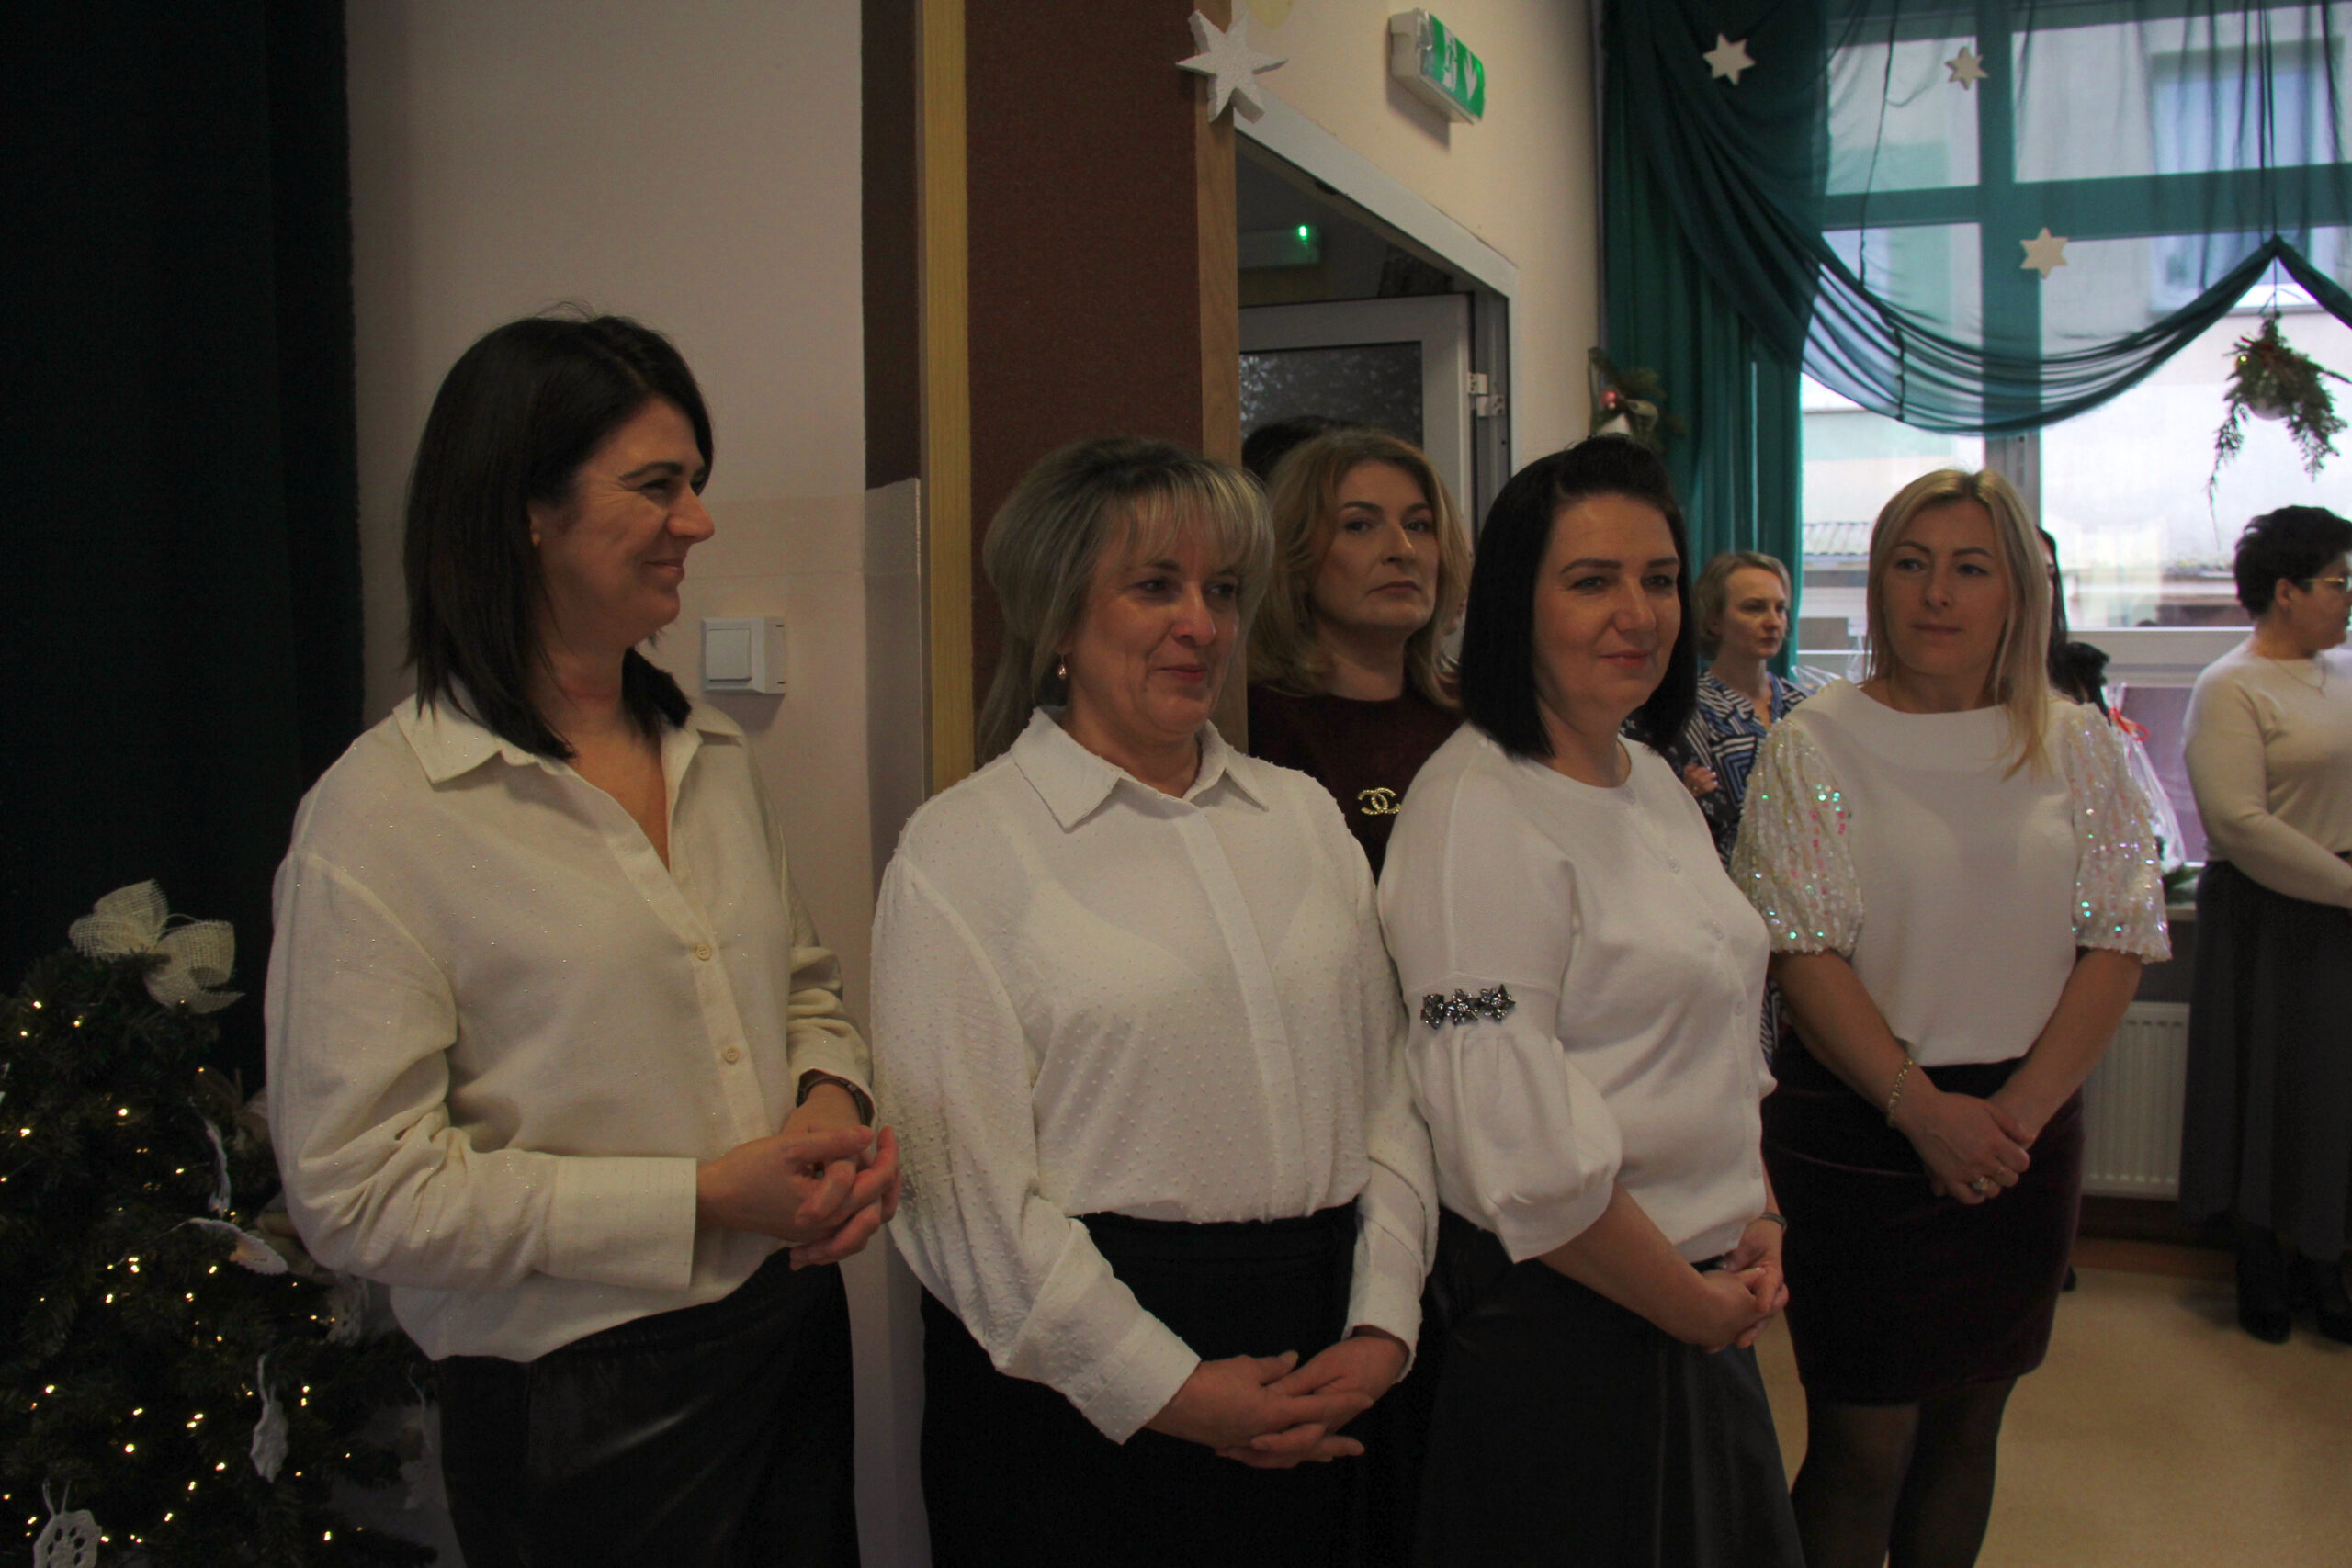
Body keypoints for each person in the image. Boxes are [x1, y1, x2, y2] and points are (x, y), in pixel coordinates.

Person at [265, 315, 895, 1567]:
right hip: (574, 1408)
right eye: (657, 485)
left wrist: (831, 1104)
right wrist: (699, 1197)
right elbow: (356, 1192)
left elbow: (802, 990)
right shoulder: (383, 813)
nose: (696, 522)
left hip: (786, 1336)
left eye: (695, 483)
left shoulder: (711, 754)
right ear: (525, 514)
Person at [873, 437, 1437, 1566]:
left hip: (1324, 1354)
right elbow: (959, 1194)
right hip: (1075, 1400)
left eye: (1221, 590)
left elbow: (1391, 1093)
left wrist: (1383, 1321)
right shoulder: (963, 850)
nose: (1201, 625)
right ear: (1056, 618)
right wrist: (1165, 1387)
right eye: (1153, 587)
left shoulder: (1302, 818)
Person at [1732, 468, 2169, 1568]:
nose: (1935, 593)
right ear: (1876, 584)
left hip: (2023, 1132)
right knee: (1863, 1447)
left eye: (1969, 568)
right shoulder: (1814, 741)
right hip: (1861, 1128)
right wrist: (1922, 1111)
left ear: (2018, 591)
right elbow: (1802, 950)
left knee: (1971, 1429)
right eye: (1909, 565)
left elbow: (2117, 936)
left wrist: (2015, 1115)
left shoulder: (2079, 744)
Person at [1379, 436, 1802, 1568]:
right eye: (1590, 580)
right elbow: (1509, 1135)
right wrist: (1688, 1305)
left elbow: (1717, 1028)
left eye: (1657, 579)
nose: (1637, 613)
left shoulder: (1647, 776)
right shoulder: (1475, 810)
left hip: (1692, 1293)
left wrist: (1755, 1214)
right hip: (1571, 1323)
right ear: (1516, 606)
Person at [2179, 505, 2352, 1345]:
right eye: (2339, 583)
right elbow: (2240, 823)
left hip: (2339, 905)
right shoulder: (2230, 685)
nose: (2348, 598)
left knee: (2335, 1093)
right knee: (2269, 1084)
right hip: (2271, 913)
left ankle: (2326, 1255)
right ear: (2287, 591)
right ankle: (2260, 1257)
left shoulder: (2343, 671)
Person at [1247, 427, 1470, 876]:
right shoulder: (1257, 724)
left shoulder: (1475, 713)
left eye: (1418, 525)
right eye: (1359, 526)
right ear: (1295, 556)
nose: (1402, 550)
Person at [1666, 549, 1814, 863]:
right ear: (1714, 619)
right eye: (1754, 608)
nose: (1773, 622)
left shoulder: (1805, 705)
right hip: (1724, 876)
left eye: (1780, 608)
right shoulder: (1688, 710)